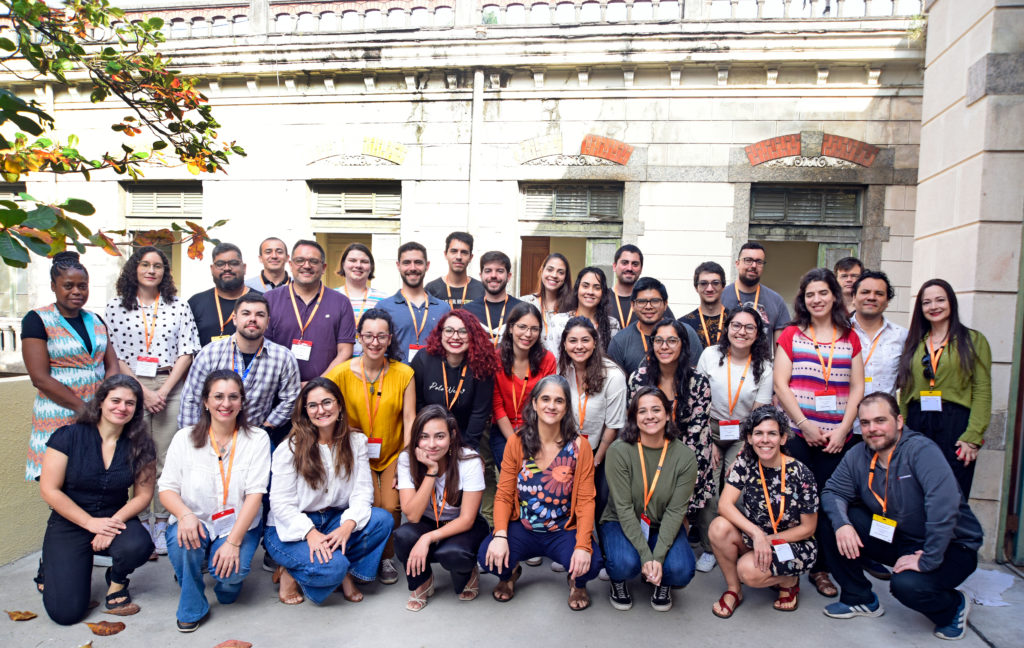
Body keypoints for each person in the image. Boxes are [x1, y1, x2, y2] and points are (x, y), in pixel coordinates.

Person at [820, 393, 982, 641]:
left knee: (907, 586)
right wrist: (843, 525)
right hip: (899, 536)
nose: (872, 429)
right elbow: (833, 491)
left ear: (898, 421)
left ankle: (953, 605)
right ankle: (859, 598)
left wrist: (928, 559)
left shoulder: (921, 451)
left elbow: (944, 508)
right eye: (865, 423)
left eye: (880, 420)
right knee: (832, 519)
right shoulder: (858, 455)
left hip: (951, 545)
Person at [774, 267, 865, 598]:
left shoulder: (849, 336)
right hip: (799, 435)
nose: (816, 299)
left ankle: (822, 569)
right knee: (795, 503)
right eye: (810, 294)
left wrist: (843, 430)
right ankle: (791, 566)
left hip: (837, 439)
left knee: (828, 503)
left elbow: (857, 388)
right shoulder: (791, 334)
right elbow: (781, 384)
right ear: (803, 299)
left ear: (834, 296)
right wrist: (802, 424)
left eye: (822, 293)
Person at [37, 375, 156, 625]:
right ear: (100, 402)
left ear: (136, 409)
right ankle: (49, 565)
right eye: (115, 400)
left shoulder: (141, 445)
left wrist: (112, 523)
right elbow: (49, 490)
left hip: (114, 516)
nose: (122, 408)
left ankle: (117, 580)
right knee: (66, 614)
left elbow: (143, 495)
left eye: (130, 403)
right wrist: (91, 523)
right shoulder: (67, 436)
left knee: (139, 545)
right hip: (70, 520)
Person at [159, 370, 271, 632]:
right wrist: (185, 516)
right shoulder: (184, 439)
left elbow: (255, 495)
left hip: (237, 525)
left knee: (229, 582)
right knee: (184, 542)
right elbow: (166, 489)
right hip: (195, 522)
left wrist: (233, 542)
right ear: (206, 402)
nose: (226, 403)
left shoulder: (257, 439)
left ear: (242, 402)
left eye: (233, 397)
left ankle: (221, 573)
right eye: (218, 396)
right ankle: (192, 602)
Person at [478, 375, 603, 610]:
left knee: (592, 562)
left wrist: (583, 546)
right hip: (523, 527)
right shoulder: (516, 442)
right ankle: (510, 575)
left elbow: (586, 501)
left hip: (562, 530)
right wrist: (501, 535)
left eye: (559, 401)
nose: (551, 406)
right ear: (534, 403)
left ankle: (577, 583)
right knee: (488, 555)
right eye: (545, 399)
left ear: (566, 408)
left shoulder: (579, 447)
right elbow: (504, 494)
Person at [265, 378, 393, 605]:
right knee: (334, 568)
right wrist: (310, 533)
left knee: (382, 520)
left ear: (339, 405)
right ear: (305, 411)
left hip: (334, 519)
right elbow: (281, 505)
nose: (321, 410)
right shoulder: (289, 448)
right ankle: (301, 573)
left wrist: (347, 526)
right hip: (291, 527)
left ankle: (329, 567)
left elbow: (363, 492)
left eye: (327, 402)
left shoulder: (356, 442)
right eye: (312, 405)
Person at [105, 246, 199, 554]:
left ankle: (161, 520)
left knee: (165, 456)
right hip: (130, 385)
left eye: (158, 265)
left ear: (165, 272)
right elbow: (113, 354)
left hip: (170, 383)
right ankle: (140, 520)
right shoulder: (116, 307)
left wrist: (164, 389)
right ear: (134, 269)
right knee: (136, 456)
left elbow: (187, 350)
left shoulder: (177, 305)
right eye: (145, 264)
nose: (151, 270)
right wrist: (142, 391)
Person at [325, 308, 415, 585]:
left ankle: (386, 557)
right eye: (368, 336)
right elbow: (323, 411)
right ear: (358, 338)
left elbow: (410, 417)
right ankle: (361, 556)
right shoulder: (339, 373)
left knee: (390, 506)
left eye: (381, 336)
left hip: (393, 454)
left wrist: (407, 458)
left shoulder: (404, 373)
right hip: (353, 454)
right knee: (367, 504)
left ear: (390, 339)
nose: (374, 342)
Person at [708, 405, 819, 618]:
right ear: (749, 438)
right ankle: (734, 590)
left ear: (783, 438)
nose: (765, 440)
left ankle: (789, 580)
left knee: (747, 571)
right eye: (758, 433)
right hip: (756, 536)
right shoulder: (746, 462)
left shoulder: (801, 474)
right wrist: (757, 535)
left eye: (772, 433)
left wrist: (769, 540)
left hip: (793, 542)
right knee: (718, 527)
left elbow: (808, 528)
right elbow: (724, 505)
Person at [23, 251, 118, 481]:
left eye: (82, 286)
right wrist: (83, 408)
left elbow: (112, 365)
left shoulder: (96, 320)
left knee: (93, 480)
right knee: (59, 483)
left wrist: (100, 404)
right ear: (53, 286)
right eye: (68, 285)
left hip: (97, 414)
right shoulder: (37, 319)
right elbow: (40, 378)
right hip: (58, 414)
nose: (76, 291)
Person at [600, 386, 697, 612]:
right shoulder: (619, 450)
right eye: (642, 411)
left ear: (668, 414)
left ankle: (661, 577)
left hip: (662, 523)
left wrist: (658, 557)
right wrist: (646, 556)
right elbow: (623, 508)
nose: (650, 416)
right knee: (625, 564)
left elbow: (675, 512)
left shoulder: (685, 456)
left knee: (681, 570)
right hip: (620, 521)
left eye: (656, 409)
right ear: (633, 417)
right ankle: (619, 580)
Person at [694, 305, 774, 573]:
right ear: (727, 328)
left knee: (734, 488)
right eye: (736, 325)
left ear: (757, 333)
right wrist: (709, 439)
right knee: (709, 489)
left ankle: (735, 543)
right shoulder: (710, 355)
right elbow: (698, 401)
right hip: (708, 427)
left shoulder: (764, 367)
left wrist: (743, 450)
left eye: (749, 327)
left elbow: (759, 414)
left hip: (744, 433)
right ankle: (709, 547)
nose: (742, 331)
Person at [896, 279, 991, 499]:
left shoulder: (973, 340)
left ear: (951, 303)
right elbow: (905, 390)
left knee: (952, 493)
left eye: (940, 300)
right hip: (918, 422)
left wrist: (972, 436)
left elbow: (982, 390)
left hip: (954, 423)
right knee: (915, 491)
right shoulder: (914, 342)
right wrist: (902, 430)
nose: (933, 306)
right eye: (926, 302)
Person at [394, 405, 489, 610]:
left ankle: (468, 572)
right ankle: (423, 582)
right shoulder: (406, 459)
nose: (431, 445)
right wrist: (431, 471)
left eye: (439, 436)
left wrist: (427, 538)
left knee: (454, 554)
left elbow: (467, 519)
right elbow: (412, 515)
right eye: (424, 437)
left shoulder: (469, 460)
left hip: (462, 526)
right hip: (426, 521)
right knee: (403, 537)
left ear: (452, 435)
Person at [178, 293, 300, 439]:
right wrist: (193, 438)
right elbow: (191, 398)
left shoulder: (283, 357)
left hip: (255, 436)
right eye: (246, 313)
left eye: (260, 315)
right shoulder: (209, 353)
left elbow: (291, 398)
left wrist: (266, 427)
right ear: (235, 319)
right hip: (211, 434)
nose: (253, 319)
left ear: (268, 322)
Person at [627, 318, 713, 523]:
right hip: (647, 453)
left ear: (683, 344)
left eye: (672, 341)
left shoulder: (698, 382)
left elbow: (697, 437)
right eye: (658, 341)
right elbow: (634, 425)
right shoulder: (638, 379)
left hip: (686, 456)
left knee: (677, 519)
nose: (664, 347)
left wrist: (674, 474)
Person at [559, 316, 627, 516]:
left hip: (600, 451)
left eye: (585, 340)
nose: (579, 346)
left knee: (597, 500)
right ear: (564, 344)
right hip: (566, 448)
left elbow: (613, 427)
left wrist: (594, 462)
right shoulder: (560, 370)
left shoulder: (613, 376)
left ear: (595, 343)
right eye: (573, 341)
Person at [264, 239, 356, 383]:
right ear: (291, 264)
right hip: (277, 389)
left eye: (313, 261)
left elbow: (345, 352)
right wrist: (283, 385)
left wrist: (317, 385)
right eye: (300, 260)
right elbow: (262, 347)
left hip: (324, 393)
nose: (306, 266)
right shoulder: (269, 300)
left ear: (324, 267)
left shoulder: (341, 302)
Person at [410, 310, 497, 452]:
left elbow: (479, 413)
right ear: (440, 334)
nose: (455, 337)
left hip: (464, 436)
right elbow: (417, 403)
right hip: (428, 435)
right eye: (449, 330)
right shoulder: (423, 359)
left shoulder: (482, 364)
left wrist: (466, 449)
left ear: (472, 335)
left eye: (463, 332)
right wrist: (425, 438)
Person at [490, 302, 558, 468]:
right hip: (503, 430)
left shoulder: (547, 359)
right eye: (522, 327)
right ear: (511, 328)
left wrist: (532, 439)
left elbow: (547, 402)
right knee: (515, 471)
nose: (528, 334)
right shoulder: (495, 359)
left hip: (538, 428)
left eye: (534, 329)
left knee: (535, 475)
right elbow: (497, 407)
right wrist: (515, 441)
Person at [609, 278, 701, 376]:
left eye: (655, 301)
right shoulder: (620, 341)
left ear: (665, 304)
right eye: (641, 301)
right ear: (633, 305)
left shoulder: (686, 333)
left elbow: (696, 376)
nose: (648, 306)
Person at [378, 242, 451, 363]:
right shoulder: (384, 307)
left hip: (433, 380)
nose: (412, 268)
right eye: (406, 262)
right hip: (398, 379)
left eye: (418, 262)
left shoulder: (444, 308)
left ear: (427, 266)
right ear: (398, 265)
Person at [721, 242, 791, 343]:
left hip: (761, 358)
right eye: (748, 260)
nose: (754, 265)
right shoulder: (721, 297)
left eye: (759, 262)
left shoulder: (776, 301)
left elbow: (780, 348)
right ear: (737, 263)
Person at [188, 242, 254, 347]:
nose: (227, 268)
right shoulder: (195, 303)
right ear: (212, 269)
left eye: (233, 263)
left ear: (244, 268)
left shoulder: (261, 300)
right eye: (220, 264)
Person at [546, 267, 620, 354]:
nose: (590, 292)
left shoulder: (612, 324)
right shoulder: (558, 321)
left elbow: (612, 360)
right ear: (577, 289)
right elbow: (553, 360)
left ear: (603, 293)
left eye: (596, 288)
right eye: (585, 286)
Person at [334, 242, 387, 357]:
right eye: (352, 260)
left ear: (371, 267)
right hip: (337, 364)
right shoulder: (331, 297)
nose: (358, 265)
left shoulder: (383, 300)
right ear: (343, 264)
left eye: (364, 261)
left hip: (372, 365)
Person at [463, 251, 523, 346]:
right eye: (488, 271)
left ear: (509, 276)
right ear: (481, 276)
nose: (493, 275)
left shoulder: (522, 309)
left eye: (500, 271)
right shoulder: (467, 311)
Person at [520, 252, 572, 340]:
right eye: (550, 270)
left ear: (565, 277)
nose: (554, 275)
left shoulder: (572, 308)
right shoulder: (525, 302)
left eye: (560, 272)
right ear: (542, 270)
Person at [426, 231, 485, 309]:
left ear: (471, 257)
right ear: (445, 254)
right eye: (454, 251)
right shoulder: (431, 289)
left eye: (464, 252)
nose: (459, 257)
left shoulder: (481, 289)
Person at [680, 261, 727, 349]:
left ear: (723, 286)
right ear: (696, 287)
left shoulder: (735, 321)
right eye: (703, 283)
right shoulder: (683, 324)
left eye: (715, 283)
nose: (709, 289)